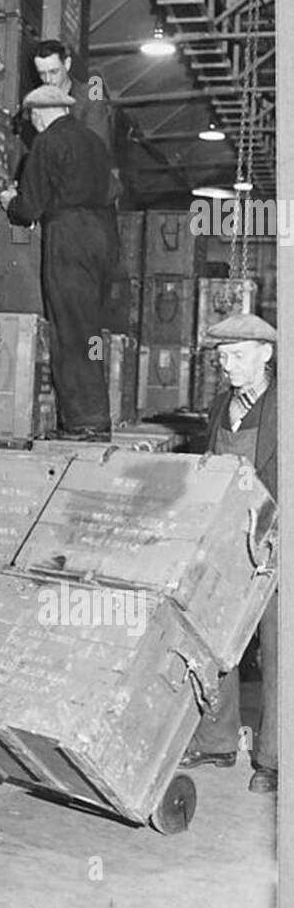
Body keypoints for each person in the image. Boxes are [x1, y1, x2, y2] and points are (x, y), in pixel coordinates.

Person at [181, 314, 278, 794]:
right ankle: (217, 741)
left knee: (280, 650)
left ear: (266, 354)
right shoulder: (221, 406)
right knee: (219, 643)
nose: (228, 367)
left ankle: (275, 760)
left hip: (279, 543)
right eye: (222, 359)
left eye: (238, 356)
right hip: (228, 542)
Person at [0, 84, 118, 437]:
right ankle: (96, 415)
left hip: (70, 238)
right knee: (89, 328)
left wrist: (10, 200)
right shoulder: (95, 142)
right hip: (104, 238)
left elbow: (29, 208)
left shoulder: (47, 143)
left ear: (38, 114)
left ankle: (84, 423)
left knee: (70, 331)